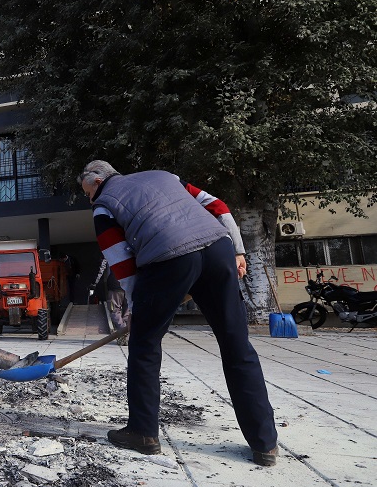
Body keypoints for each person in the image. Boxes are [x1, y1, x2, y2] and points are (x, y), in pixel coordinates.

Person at [79, 160, 278, 467]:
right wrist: (238, 250)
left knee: (144, 346)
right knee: (237, 344)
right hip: (217, 249)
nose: (88, 199)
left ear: (95, 181)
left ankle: (143, 433)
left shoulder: (103, 205)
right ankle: (265, 444)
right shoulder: (165, 176)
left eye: (86, 192)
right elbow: (219, 206)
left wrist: (137, 308)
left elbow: (121, 261)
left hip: (167, 259)